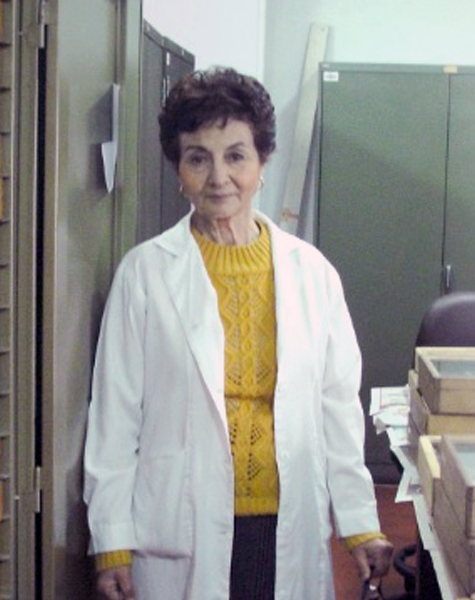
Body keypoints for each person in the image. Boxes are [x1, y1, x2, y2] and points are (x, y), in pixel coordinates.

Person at [82, 67, 394, 600]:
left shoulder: (312, 274)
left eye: (235, 155)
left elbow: (337, 410)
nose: (218, 177)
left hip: (285, 522)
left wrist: (360, 522)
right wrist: (111, 541)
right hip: (179, 527)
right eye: (198, 158)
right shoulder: (145, 274)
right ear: (179, 170)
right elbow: (115, 418)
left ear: (262, 162)